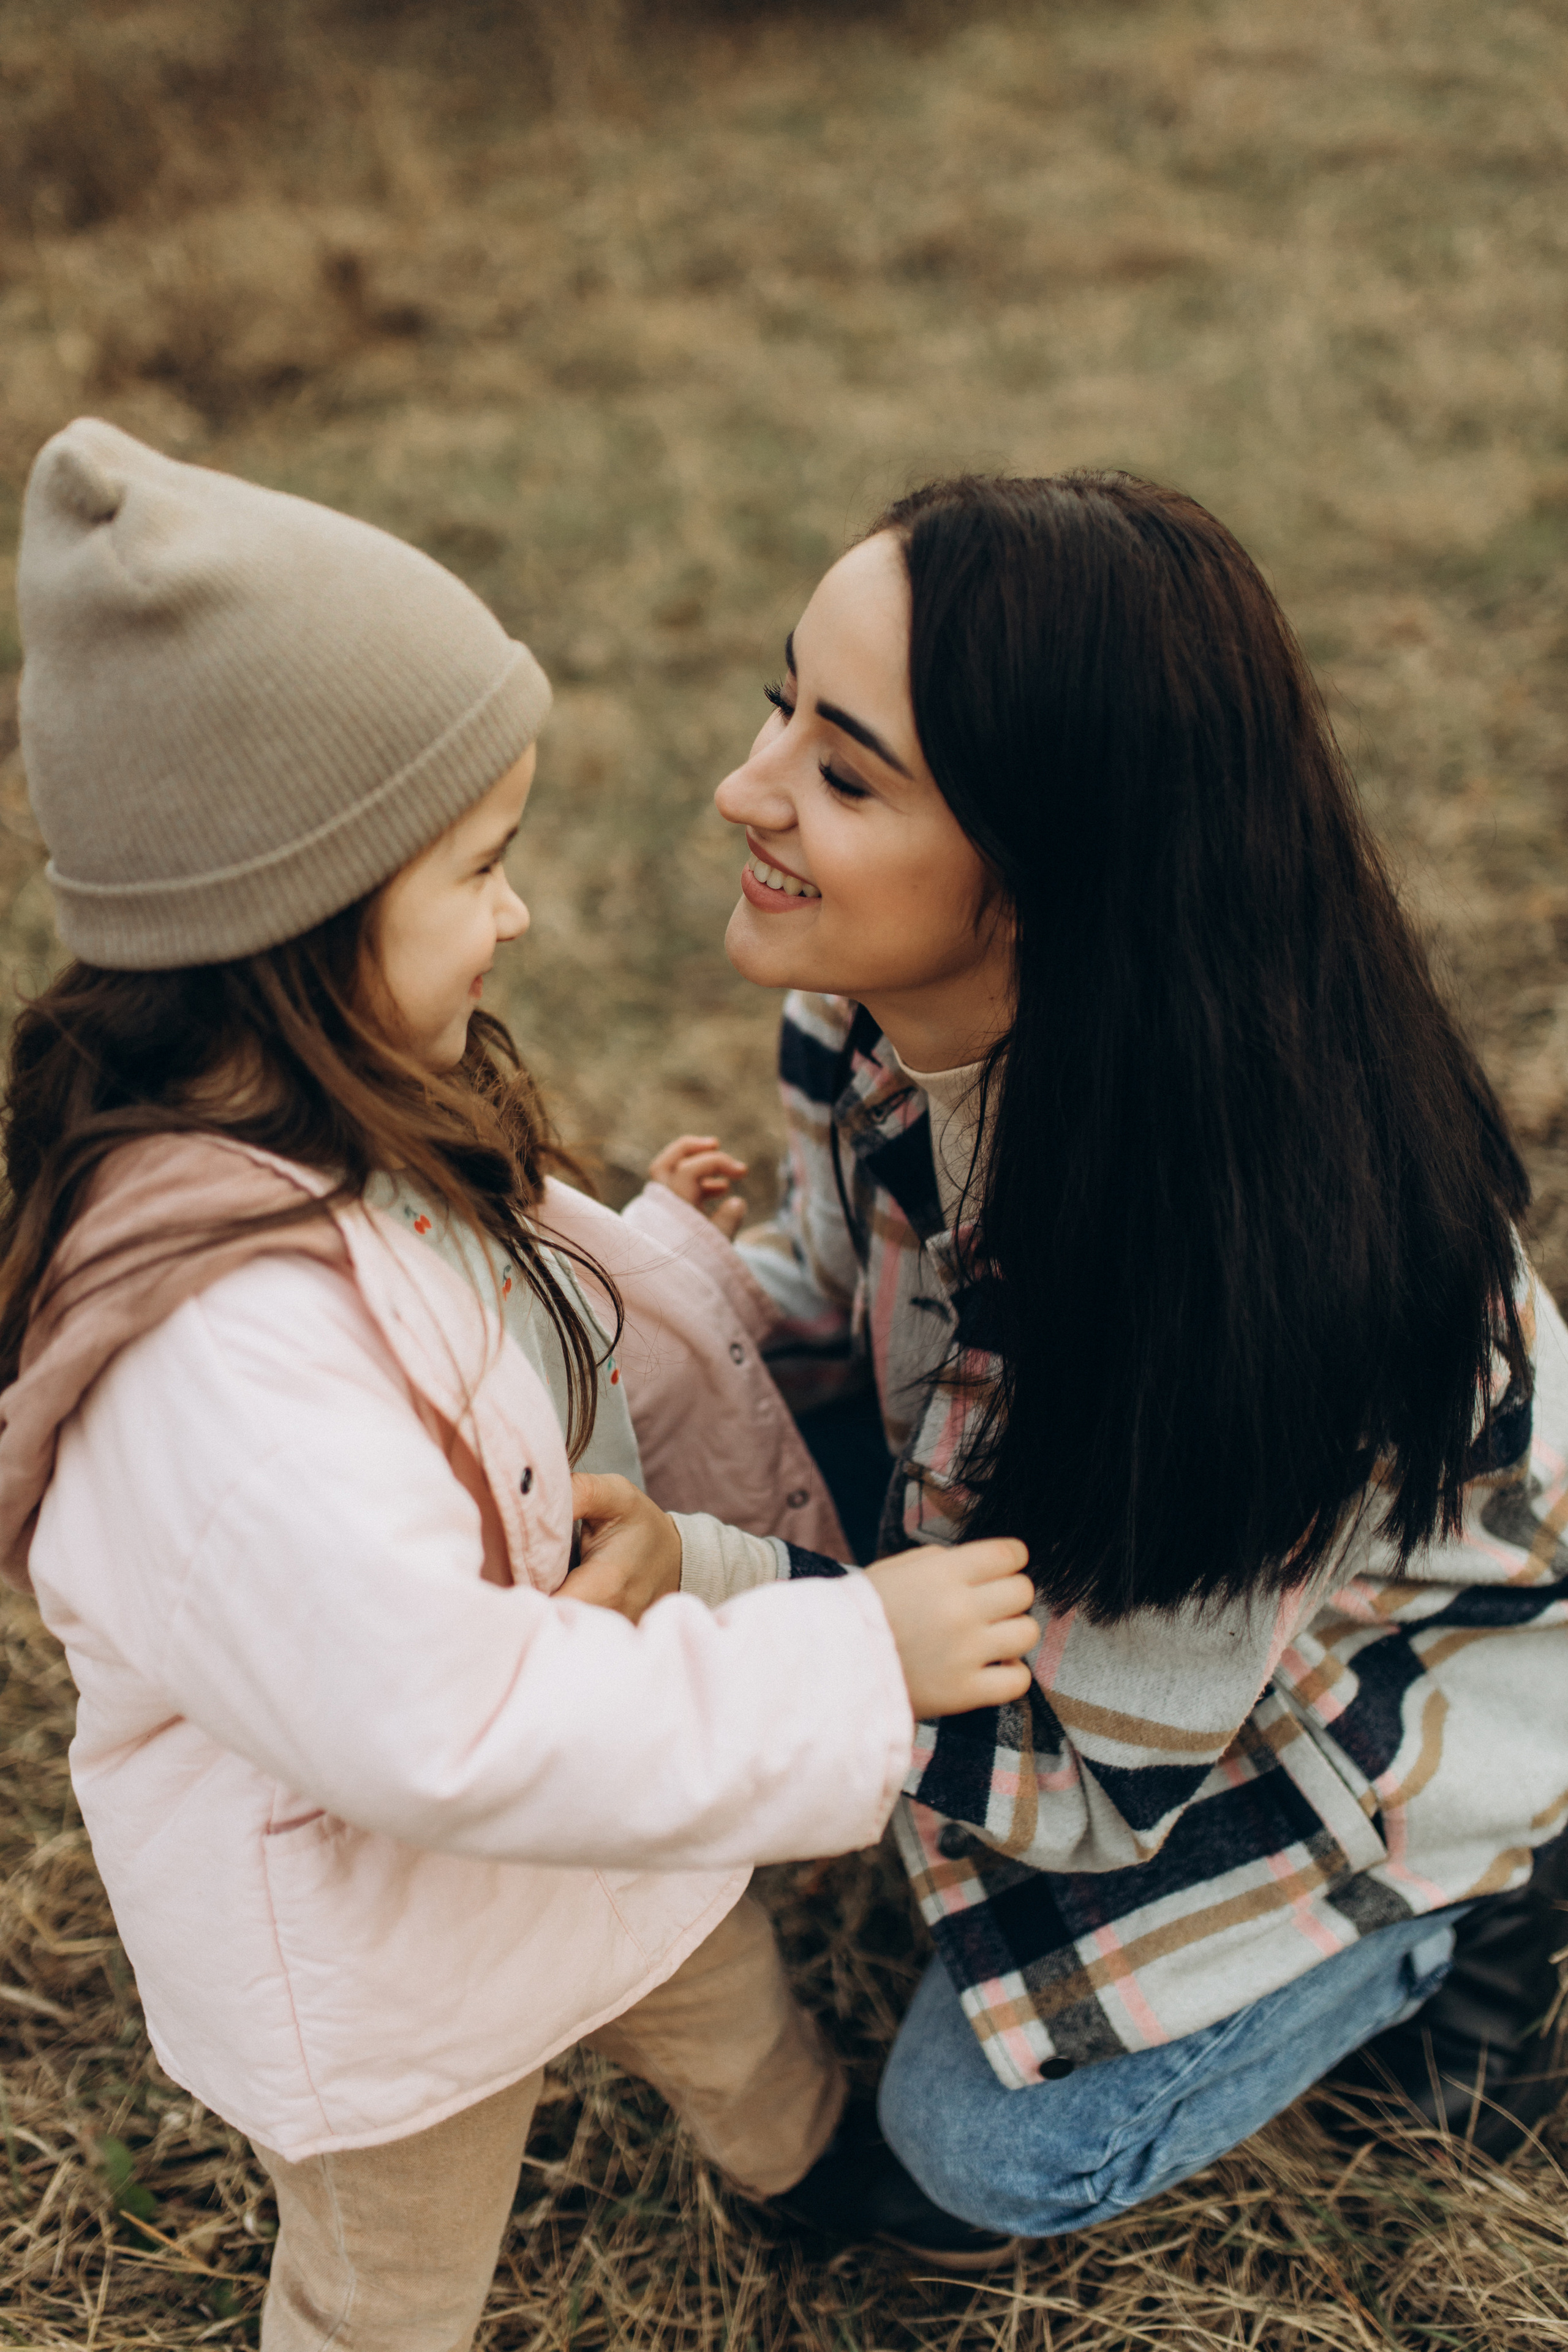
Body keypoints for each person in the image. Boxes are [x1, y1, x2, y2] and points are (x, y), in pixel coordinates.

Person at [0, 421, 1044, 2346]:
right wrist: (847, 1655)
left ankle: (811, 2169)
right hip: (393, 1938)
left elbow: (500, 1293)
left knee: (715, 1994)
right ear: (291, 917)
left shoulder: (337, 1111)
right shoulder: (207, 1364)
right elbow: (447, 1733)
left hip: (592, 1807)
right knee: (394, 2272)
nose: (519, 915)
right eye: (479, 867)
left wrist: (657, 1246)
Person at [695, 470, 1568, 2244]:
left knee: (984, 2146)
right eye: (782, 702)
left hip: (1380, 1682)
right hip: (1087, 1559)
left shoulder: (1238, 1270)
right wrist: (623, 1292)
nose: (747, 786)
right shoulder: (862, 1000)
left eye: (845, 773)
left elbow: (1095, 1794)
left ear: (1049, 868)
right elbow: (825, 1286)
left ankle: (1493, 1893)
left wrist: (763, 1623)